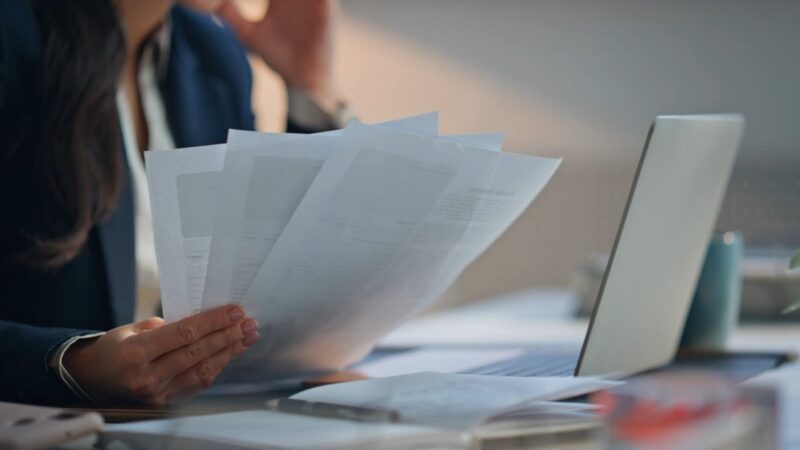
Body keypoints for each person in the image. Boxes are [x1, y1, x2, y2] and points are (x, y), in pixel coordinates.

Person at [0, 0, 349, 405]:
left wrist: (308, 87)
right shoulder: (13, 35)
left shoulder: (211, 53)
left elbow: (267, 276)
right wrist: (75, 363)